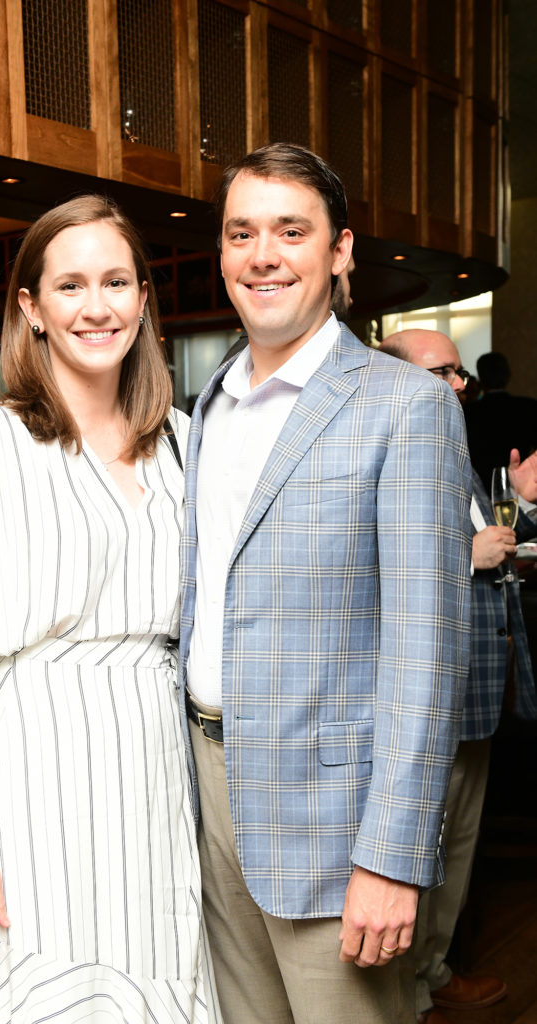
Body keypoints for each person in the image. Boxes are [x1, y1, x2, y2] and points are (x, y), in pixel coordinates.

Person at [0, 195, 221, 1024]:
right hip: (33, 775)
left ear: (144, 299)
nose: (97, 306)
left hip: (156, 771)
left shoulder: (187, 443)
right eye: (71, 285)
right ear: (31, 309)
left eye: (117, 281)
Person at [179, 142, 472, 1024]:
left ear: (339, 251)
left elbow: (427, 652)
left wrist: (392, 855)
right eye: (241, 233)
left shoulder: (404, 405)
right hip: (206, 789)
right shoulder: (208, 407)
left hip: (335, 824)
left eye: (290, 231)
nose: (262, 254)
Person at [380, 328, 537, 1024]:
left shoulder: (453, 451)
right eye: (442, 372)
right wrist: (461, 557)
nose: (459, 386)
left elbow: (489, 538)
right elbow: (364, 576)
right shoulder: (388, 453)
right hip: (424, 699)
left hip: (472, 692)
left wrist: (521, 508)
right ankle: (409, 990)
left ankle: (433, 972)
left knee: (457, 850)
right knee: (420, 854)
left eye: (461, 373)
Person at [464, 351, 537, 493]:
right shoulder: (528, 407)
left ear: (480, 379)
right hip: (518, 489)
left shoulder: (468, 412)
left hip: (478, 492)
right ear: (509, 375)